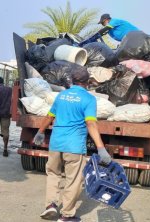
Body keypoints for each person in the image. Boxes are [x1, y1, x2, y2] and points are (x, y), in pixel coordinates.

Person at [35, 66, 111, 222]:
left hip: (56, 143)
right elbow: (91, 124)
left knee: (53, 174)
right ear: (88, 82)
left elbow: (49, 116)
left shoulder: (62, 96)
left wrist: (40, 132)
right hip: (74, 146)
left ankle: (50, 205)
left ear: (71, 80)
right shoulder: (89, 99)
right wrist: (101, 148)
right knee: (74, 179)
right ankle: (66, 215)